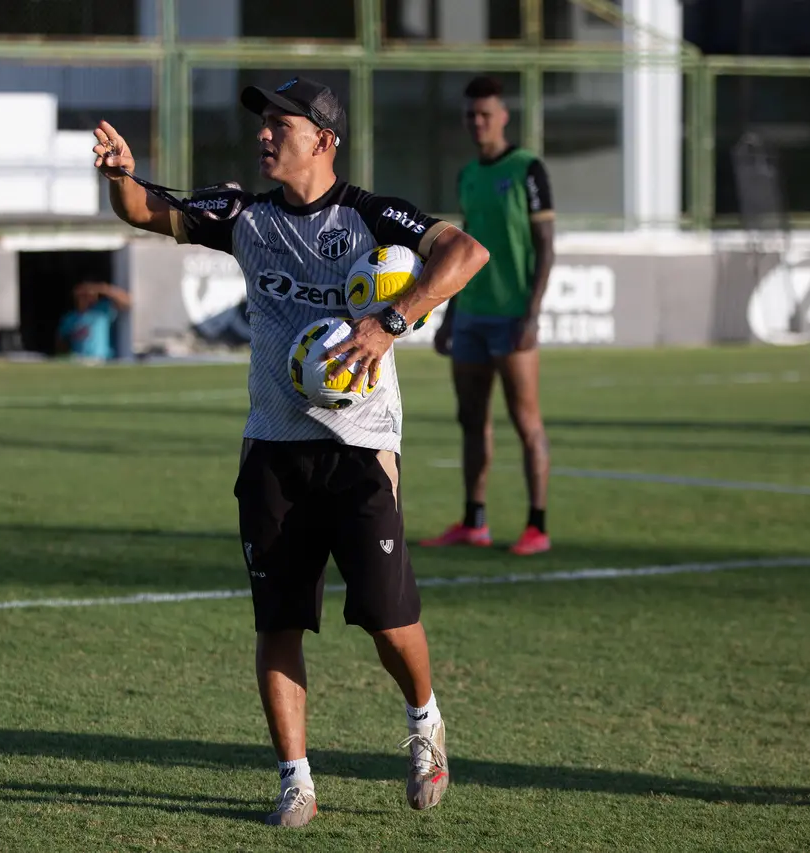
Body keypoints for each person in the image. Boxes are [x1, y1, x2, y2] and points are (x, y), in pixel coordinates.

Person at [92, 76, 488, 827]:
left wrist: (390, 322)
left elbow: (465, 253)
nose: (266, 133)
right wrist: (119, 179)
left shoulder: (374, 216)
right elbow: (150, 209)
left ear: (324, 139)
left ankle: (424, 720)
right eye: (263, 122)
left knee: (385, 616)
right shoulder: (244, 214)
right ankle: (295, 777)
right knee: (277, 620)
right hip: (273, 448)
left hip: (359, 447)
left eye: (283, 122)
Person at [420, 75, 556, 557]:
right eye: (470, 116)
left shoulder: (527, 169)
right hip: (472, 316)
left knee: (525, 421)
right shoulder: (468, 175)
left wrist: (532, 315)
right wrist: (448, 315)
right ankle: (474, 520)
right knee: (471, 420)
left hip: (512, 317)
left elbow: (545, 247)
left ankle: (536, 525)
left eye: (486, 114)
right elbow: (464, 251)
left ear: (503, 116)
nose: (477, 123)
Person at [55, 281, 131, 362]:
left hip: (101, 360)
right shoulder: (70, 318)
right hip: (79, 360)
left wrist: (102, 288)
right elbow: (61, 340)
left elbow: (127, 302)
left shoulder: (102, 311)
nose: (86, 297)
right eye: (83, 295)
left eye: (89, 295)